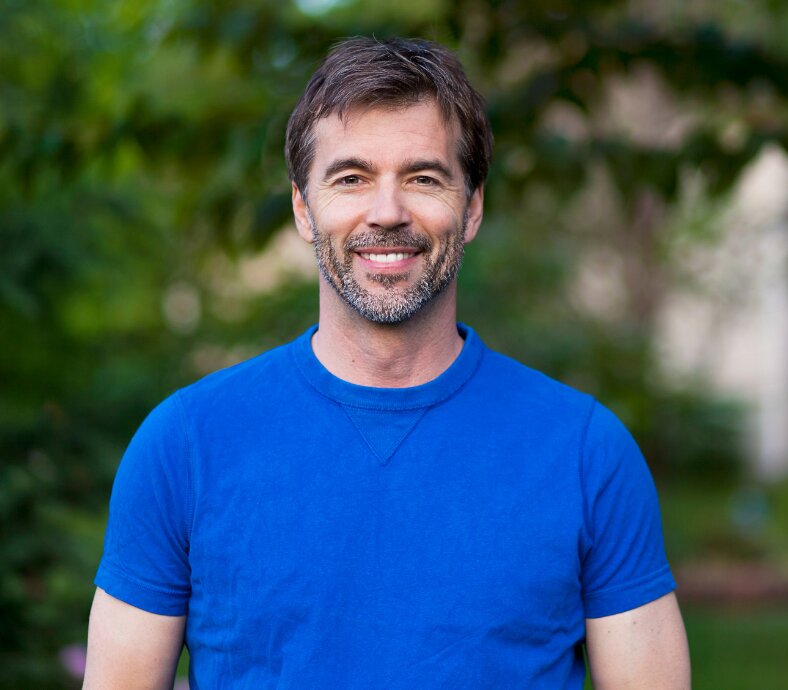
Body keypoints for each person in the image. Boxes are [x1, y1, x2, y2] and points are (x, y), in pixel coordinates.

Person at [84, 37, 690, 689]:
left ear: (474, 205)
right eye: (351, 178)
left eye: (424, 178)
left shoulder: (586, 453)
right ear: (302, 208)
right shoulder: (185, 445)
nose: (387, 212)